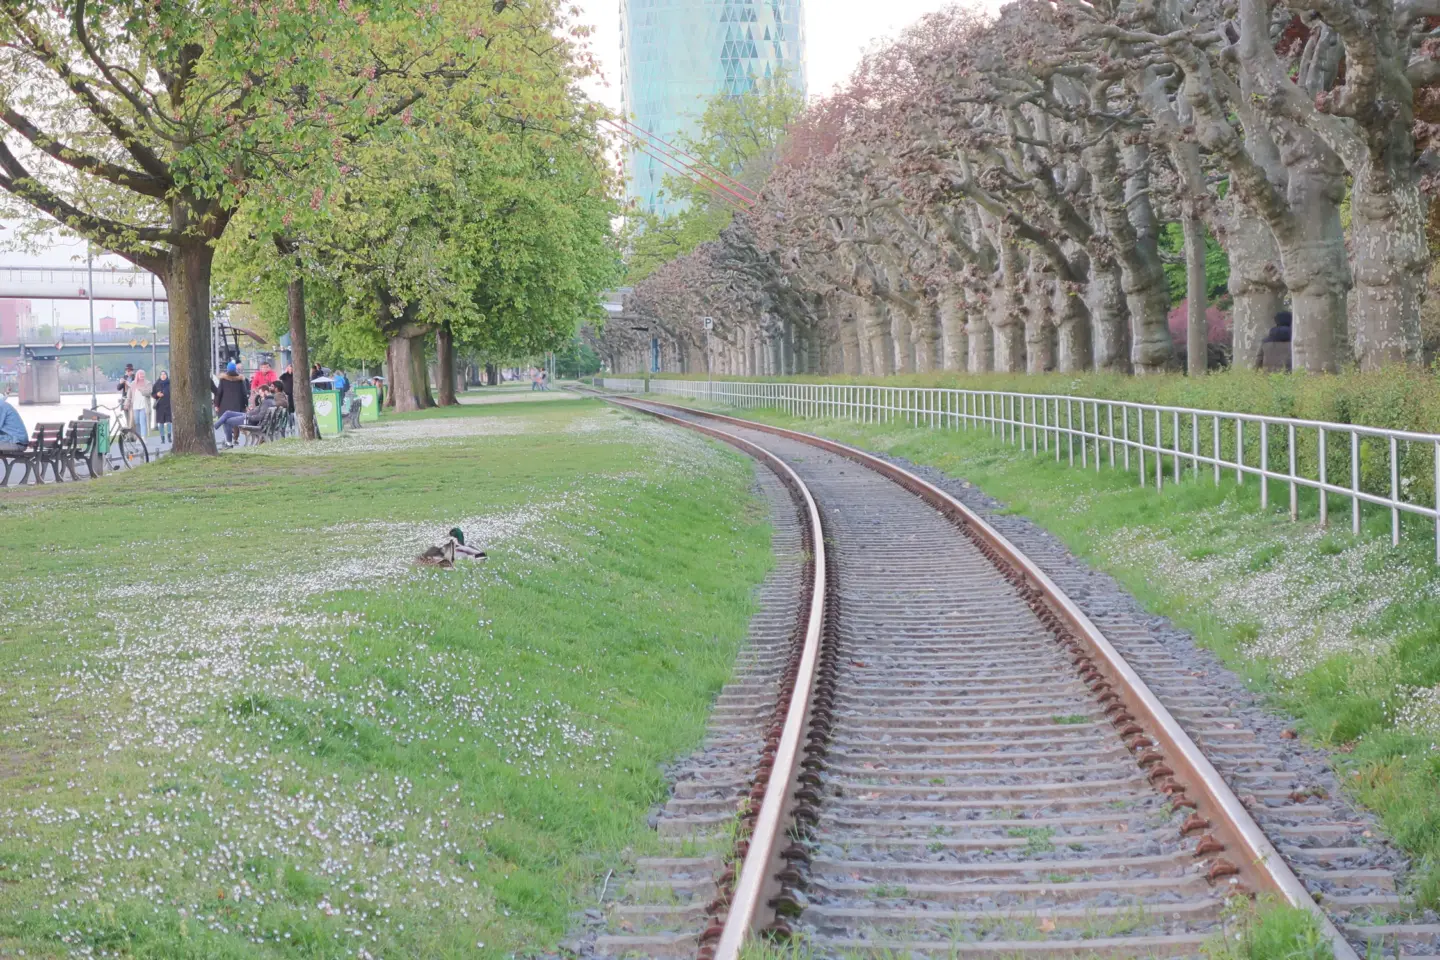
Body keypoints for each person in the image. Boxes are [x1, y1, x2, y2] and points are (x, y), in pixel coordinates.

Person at [212, 360, 249, 446]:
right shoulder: (240, 380)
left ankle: (228, 439)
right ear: (235, 369)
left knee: (225, 421)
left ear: (227, 369)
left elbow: (219, 392)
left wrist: (217, 404)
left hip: (224, 404)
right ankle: (235, 437)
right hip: (237, 404)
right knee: (235, 421)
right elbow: (244, 393)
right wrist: (245, 404)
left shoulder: (223, 380)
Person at [127, 369, 151, 439]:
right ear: (137, 375)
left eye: (143, 374)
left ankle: (143, 437)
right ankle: (138, 437)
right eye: (140, 374)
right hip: (135, 406)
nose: (142, 376)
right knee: (136, 422)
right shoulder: (133, 384)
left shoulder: (147, 383)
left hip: (144, 406)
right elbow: (129, 395)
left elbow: (149, 392)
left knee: (142, 421)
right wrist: (127, 403)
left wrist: (141, 390)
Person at [151, 371, 172, 444]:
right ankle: (162, 438)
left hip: (168, 405)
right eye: (161, 374)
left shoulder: (170, 383)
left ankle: (169, 437)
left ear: (166, 375)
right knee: (161, 423)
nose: (163, 376)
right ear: (160, 376)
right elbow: (152, 394)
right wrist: (157, 394)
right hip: (160, 406)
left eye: (164, 374)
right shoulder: (157, 384)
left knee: (169, 422)